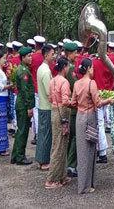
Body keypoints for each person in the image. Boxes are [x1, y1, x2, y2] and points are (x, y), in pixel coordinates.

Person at [73, 58, 114, 194]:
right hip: (90, 117)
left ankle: (84, 184)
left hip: (79, 117)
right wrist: (109, 100)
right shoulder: (91, 83)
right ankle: (86, 185)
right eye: (92, 67)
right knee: (90, 150)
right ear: (88, 69)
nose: (93, 69)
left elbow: (73, 102)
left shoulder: (76, 83)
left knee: (82, 151)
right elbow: (98, 103)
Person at [45, 58, 72, 189]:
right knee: (59, 147)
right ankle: (52, 179)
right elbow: (66, 100)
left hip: (54, 111)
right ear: (64, 67)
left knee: (59, 143)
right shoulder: (65, 82)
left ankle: (62, 175)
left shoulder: (52, 80)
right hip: (63, 112)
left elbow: (50, 97)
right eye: (68, 66)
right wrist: (74, 103)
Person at [11, 47, 35, 165]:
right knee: (23, 131)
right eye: (29, 56)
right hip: (23, 105)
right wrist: (30, 107)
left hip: (21, 103)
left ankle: (15, 155)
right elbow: (26, 91)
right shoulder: (23, 71)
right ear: (23, 57)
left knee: (20, 129)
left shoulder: (22, 68)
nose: (31, 58)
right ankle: (20, 157)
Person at [36, 44, 54, 170]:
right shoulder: (46, 71)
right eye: (52, 54)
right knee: (46, 135)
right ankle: (44, 160)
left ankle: (42, 159)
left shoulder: (41, 68)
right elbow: (49, 92)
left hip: (42, 105)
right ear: (46, 55)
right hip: (46, 107)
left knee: (43, 133)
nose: (54, 56)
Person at [62, 42, 79, 176]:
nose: (76, 55)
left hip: (66, 105)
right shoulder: (71, 69)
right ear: (69, 53)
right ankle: (71, 165)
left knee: (70, 136)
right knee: (74, 137)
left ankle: (68, 162)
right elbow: (75, 86)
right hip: (73, 107)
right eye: (75, 53)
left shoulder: (63, 65)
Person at [0, 52, 12, 156]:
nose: (5, 60)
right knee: (0, 124)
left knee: (1, 123)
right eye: (4, 58)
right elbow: (0, 87)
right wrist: (10, 85)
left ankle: (0, 148)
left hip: (2, 98)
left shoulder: (0, 71)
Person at [30, 36, 46, 145]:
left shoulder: (32, 57)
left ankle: (37, 134)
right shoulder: (45, 57)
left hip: (35, 88)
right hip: (44, 87)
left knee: (36, 112)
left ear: (36, 44)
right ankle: (40, 133)